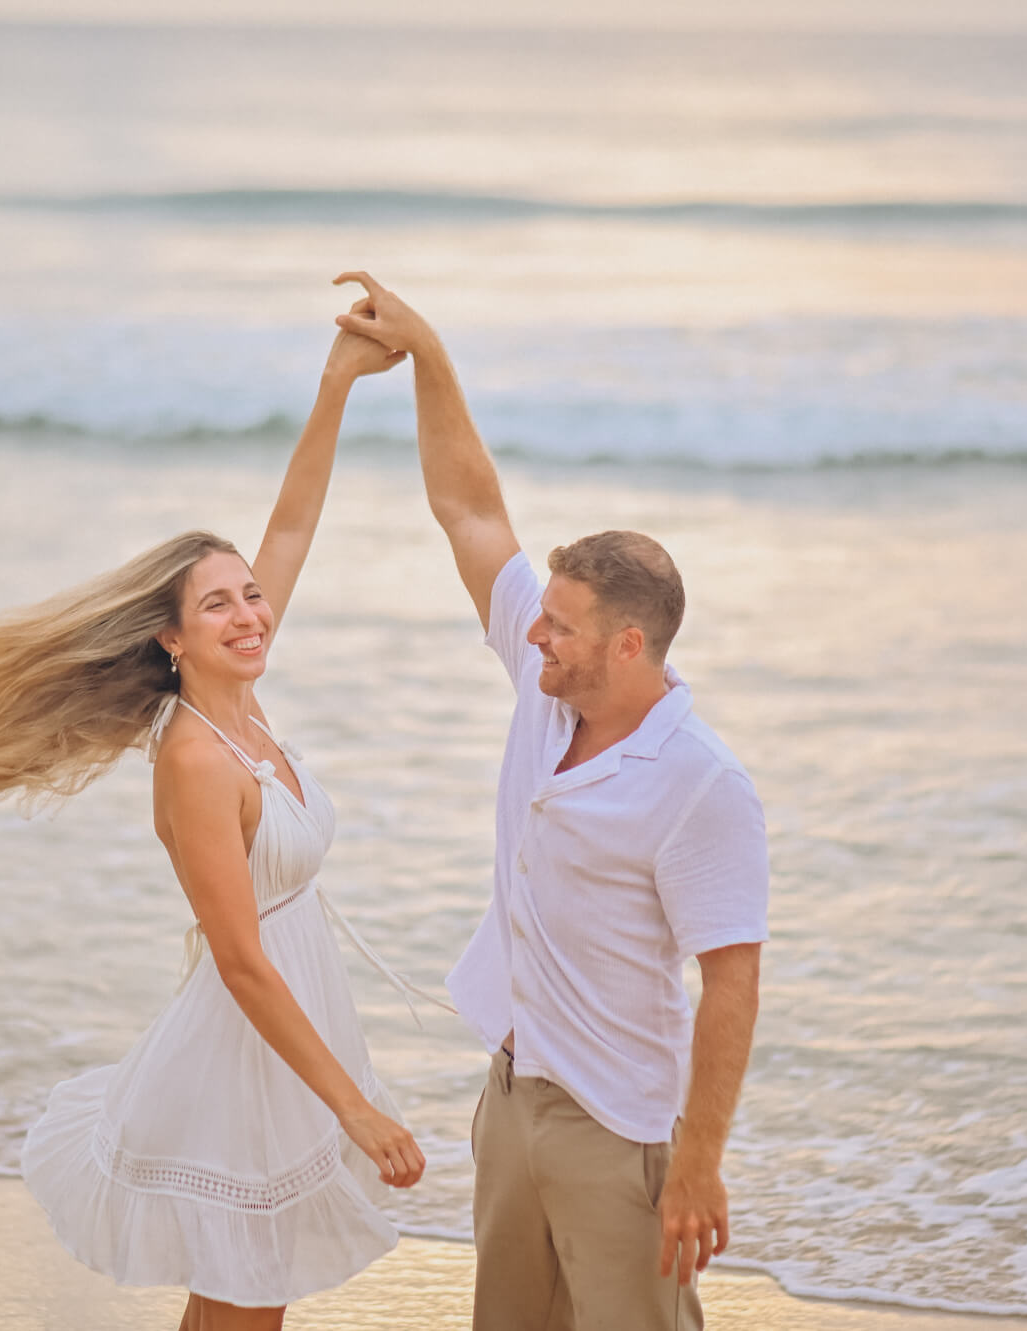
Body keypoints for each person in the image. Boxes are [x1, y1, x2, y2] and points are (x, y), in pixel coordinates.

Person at [0, 311, 432, 1331]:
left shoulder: (244, 705)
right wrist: (348, 1105)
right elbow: (238, 958)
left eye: (252, 596)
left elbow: (297, 526)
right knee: (245, 1294)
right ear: (172, 637)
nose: (249, 614)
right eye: (216, 604)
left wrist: (339, 382)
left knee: (242, 1294)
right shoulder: (193, 755)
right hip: (252, 1037)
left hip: (293, 1016)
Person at [334, 272, 770, 1331]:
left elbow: (729, 983)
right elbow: (469, 506)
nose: (533, 634)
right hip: (511, 1099)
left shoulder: (700, 783)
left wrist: (698, 1164)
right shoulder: (546, 691)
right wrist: (429, 356)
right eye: (540, 619)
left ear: (628, 645)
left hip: (617, 1129)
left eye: (559, 627)